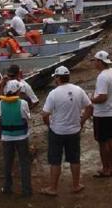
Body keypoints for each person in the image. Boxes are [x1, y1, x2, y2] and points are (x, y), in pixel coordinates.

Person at [40, 66, 93, 196]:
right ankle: (76, 185)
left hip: (57, 131)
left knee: (55, 160)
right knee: (75, 159)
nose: (54, 80)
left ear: (58, 78)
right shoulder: (78, 90)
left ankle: (53, 188)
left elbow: (45, 114)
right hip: (74, 131)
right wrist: (82, 121)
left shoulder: (54, 93)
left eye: (55, 77)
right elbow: (90, 107)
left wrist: (49, 125)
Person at [90, 51, 112, 178]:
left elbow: (102, 97)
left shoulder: (102, 76)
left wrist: (91, 99)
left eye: (95, 61)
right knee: (110, 139)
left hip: (102, 114)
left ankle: (106, 169)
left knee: (102, 142)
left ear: (100, 62)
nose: (94, 63)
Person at [0, 80, 32, 197]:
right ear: (17, 91)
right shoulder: (22, 103)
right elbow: (26, 117)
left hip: (6, 137)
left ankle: (7, 187)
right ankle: (26, 190)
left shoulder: (1, 103)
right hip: (21, 137)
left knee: (8, 162)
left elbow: (2, 117)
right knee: (24, 163)